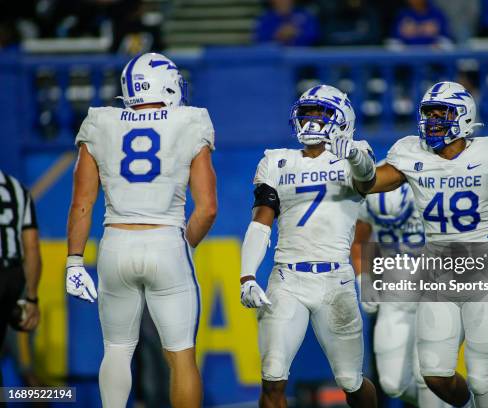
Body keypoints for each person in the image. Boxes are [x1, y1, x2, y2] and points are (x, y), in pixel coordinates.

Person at [363, 81, 488, 407]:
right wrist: (355, 165)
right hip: (439, 272)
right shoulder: (412, 155)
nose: (432, 120)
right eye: (428, 113)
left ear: (463, 117)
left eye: (440, 113)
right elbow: (371, 182)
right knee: (434, 374)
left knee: (480, 377)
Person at [66, 52, 217, 408]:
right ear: (165, 84)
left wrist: (74, 261)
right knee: (181, 356)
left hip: (115, 242)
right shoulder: (190, 121)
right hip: (166, 240)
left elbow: (82, 204)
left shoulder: (100, 121)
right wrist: (185, 246)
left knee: (116, 351)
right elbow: (208, 209)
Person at [239, 84, 378, 407]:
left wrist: (354, 154)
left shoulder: (355, 154)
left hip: (335, 280)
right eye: (306, 114)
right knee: (272, 376)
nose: (311, 122)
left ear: (341, 119)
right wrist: (247, 275)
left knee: (350, 381)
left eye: (321, 114)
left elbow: (367, 178)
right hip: (287, 279)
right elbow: (261, 221)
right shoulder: (276, 161)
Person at [351, 183, 451, 408]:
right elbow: (358, 240)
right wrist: (363, 279)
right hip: (395, 293)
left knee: (428, 374)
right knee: (392, 384)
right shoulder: (374, 183)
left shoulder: (438, 179)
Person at [0, 170, 41, 387]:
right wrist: (32, 298)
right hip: (15, 286)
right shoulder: (16, 188)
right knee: (26, 370)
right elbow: (32, 246)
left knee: (28, 374)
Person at [254, 0, 319, 46]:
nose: (284, 1)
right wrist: (277, 36)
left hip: (302, 58)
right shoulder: (265, 18)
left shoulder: (305, 15)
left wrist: (296, 33)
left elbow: (314, 35)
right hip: (274, 60)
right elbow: (260, 39)